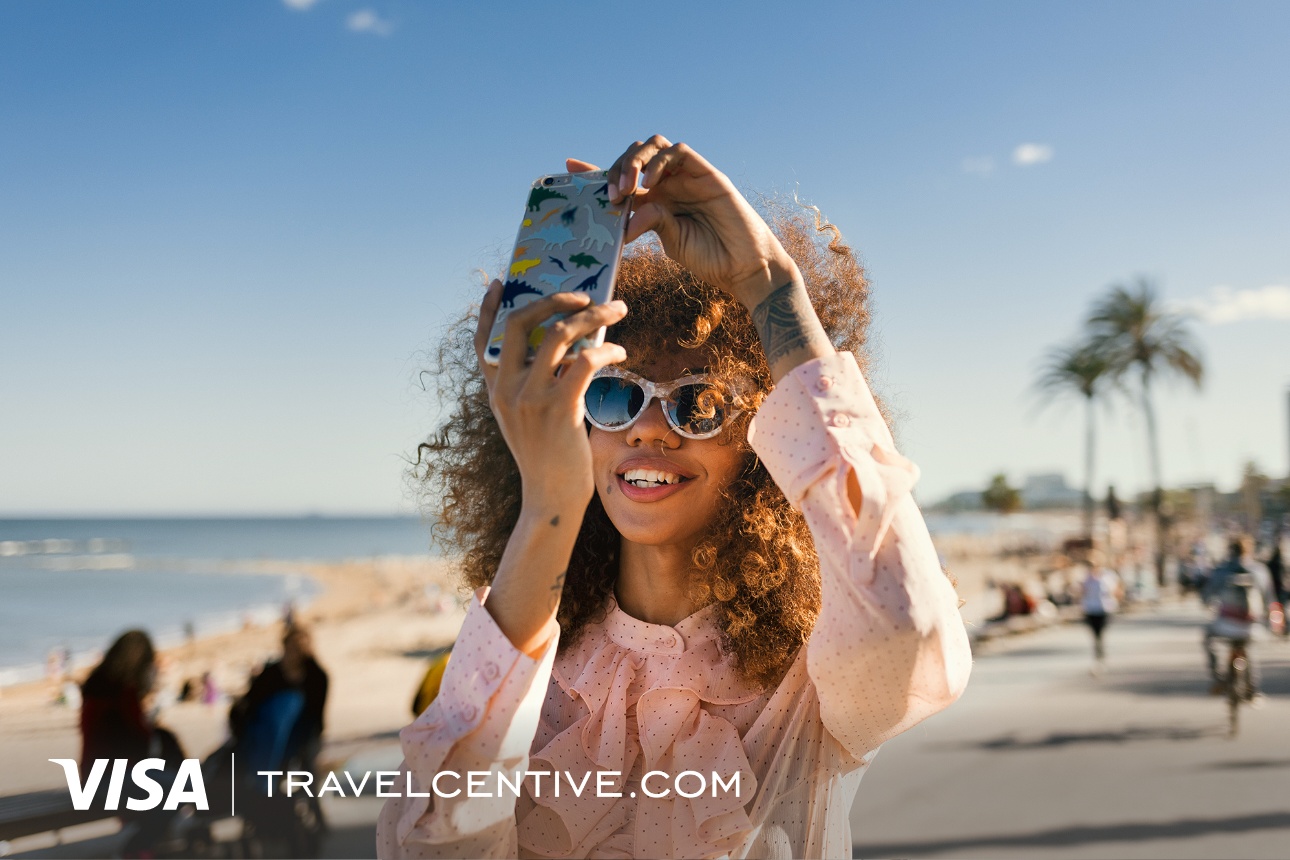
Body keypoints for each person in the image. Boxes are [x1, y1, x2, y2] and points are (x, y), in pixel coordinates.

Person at [377, 137, 971, 859]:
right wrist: (547, 506)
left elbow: (905, 619)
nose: (650, 430)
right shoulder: (529, 678)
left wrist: (772, 287)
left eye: (699, 404)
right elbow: (429, 843)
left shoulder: (811, 681)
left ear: (765, 437)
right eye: (614, 394)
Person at [79, 630, 185, 857]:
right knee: (184, 785)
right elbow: (141, 741)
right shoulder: (123, 692)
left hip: (92, 777)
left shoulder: (96, 687)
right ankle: (140, 845)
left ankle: (143, 844)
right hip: (110, 781)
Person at [230, 624, 328, 773]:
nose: (294, 652)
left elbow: (318, 713)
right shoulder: (271, 673)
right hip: (269, 732)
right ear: (284, 646)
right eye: (292, 646)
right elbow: (250, 701)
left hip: (302, 730)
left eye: (300, 648)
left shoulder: (316, 676)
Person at [1202, 536, 1274, 696]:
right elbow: (1269, 600)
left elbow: (1207, 595)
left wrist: (1208, 603)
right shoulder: (1260, 570)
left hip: (1225, 625)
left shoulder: (1221, 570)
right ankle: (1253, 690)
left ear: (1230, 550)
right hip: (1252, 625)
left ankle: (1218, 678)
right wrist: (1270, 622)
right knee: (1250, 648)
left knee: (1208, 638)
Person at [1079, 551, 1122, 669]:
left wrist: (1115, 600)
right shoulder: (1086, 577)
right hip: (1091, 608)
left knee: (1101, 633)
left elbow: (1116, 590)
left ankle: (1101, 655)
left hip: (1104, 608)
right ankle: (1098, 655)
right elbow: (1082, 592)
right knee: (1094, 634)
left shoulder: (1108, 576)